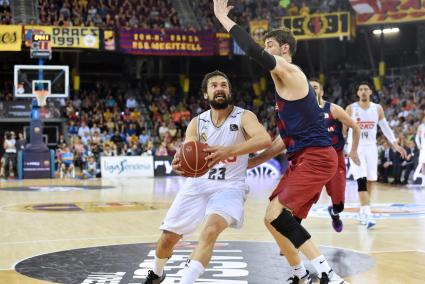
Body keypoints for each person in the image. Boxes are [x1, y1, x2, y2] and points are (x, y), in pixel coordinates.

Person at [213, 1, 347, 282]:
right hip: (302, 157)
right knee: (271, 219)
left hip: (317, 156)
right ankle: (299, 273)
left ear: (284, 49)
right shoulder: (281, 85)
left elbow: (251, 50)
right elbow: (283, 141)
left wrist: (222, 18)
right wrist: (252, 161)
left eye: (270, 44)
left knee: (277, 213)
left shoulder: (290, 72)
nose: (266, 49)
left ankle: (328, 274)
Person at [142, 70, 271, 284]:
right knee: (167, 239)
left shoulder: (244, 116)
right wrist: (180, 162)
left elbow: (264, 139)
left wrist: (228, 151)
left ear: (229, 91)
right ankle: (157, 273)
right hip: (198, 184)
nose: (219, 88)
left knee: (210, 231)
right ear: (205, 94)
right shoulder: (196, 123)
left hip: (230, 186)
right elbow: (188, 152)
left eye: (224, 85)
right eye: (214, 85)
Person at [249, 79, 361, 233]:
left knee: (339, 204)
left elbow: (355, 128)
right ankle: (292, 238)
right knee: (303, 200)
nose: (312, 89)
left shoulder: (333, 109)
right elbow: (280, 141)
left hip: (334, 158)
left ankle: (334, 213)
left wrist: (353, 150)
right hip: (311, 160)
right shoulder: (298, 114)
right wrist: (254, 160)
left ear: (322, 92)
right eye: (309, 87)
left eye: (315, 87)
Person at [346, 81, 406, 228]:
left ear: (371, 92)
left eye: (366, 89)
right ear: (357, 93)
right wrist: (346, 149)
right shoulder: (350, 109)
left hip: (371, 148)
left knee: (370, 180)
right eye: (361, 89)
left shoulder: (377, 108)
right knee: (361, 179)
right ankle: (368, 213)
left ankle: (363, 210)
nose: (364, 91)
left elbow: (385, 128)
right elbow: (343, 130)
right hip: (356, 147)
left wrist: (395, 144)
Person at [415, 117, 425, 187]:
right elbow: (416, 137)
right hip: (423, 148)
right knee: (423, 165)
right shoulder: (421, 127)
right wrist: (418, 145)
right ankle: (423, 182)